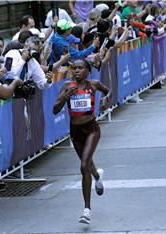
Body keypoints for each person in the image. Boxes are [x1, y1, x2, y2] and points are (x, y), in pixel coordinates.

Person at [53, 58, 112, 224]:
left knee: (83, 165)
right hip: (75, 131)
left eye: (80, 68)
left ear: (87, 71)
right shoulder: (67, 87)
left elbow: (109, 91)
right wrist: (65, 96)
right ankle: (97, 177)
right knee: (87, 163)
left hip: (91, 129)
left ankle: (86, 210)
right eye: (75, 68)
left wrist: (105, 99)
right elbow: (55, 110)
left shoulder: (93, 84)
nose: (77, 71)